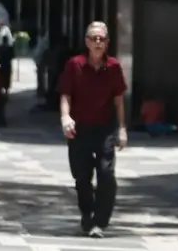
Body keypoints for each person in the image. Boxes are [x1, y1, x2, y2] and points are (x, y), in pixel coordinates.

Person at [58, 22, 127, 238]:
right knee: (81, 177)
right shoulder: (74, 65)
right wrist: (65, 117)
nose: (98, 42)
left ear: (107, 43)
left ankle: (100, 221)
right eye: (94, 38)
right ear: (87, 42)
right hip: (79, 129)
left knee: (106, 174)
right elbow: (65, 94)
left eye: (102, 39)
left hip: (105, 129)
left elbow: (119, 101)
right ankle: (87, 213)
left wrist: (122, 128)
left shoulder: (114, 67)